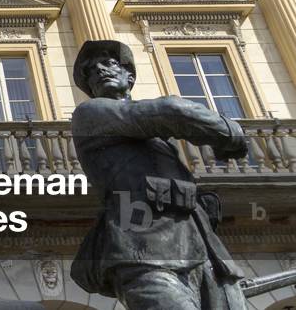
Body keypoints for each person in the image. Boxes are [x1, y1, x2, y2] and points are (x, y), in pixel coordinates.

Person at [69, 40, 248, 310]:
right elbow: (171, 110)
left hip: (199, 247)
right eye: (91, 70)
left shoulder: (156, 139)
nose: (99, 70)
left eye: (109, 63)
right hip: (143, 250)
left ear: (130, 76)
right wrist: (230, 134)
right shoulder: (90, 114)